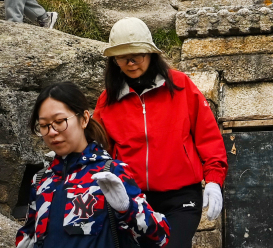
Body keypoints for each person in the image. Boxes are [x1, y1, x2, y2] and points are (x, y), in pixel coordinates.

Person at [94, 18, 227, 248]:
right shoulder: (108, 100)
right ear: (114, 60)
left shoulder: (180, 85)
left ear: (151, 54)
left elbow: (208, 135)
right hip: (132, 198)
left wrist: (214, 180)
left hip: (181, 196)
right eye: (123, 56)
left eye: (138, 54)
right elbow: (97, 151)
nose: (131, 62)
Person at [16, 81, 171, 248]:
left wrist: (128, 209)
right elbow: (29, 234)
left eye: (60, 121)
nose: (52, 132)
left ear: (84, 119)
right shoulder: (41, 180)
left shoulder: (111, 172)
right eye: (44, 125)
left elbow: (160, 237)